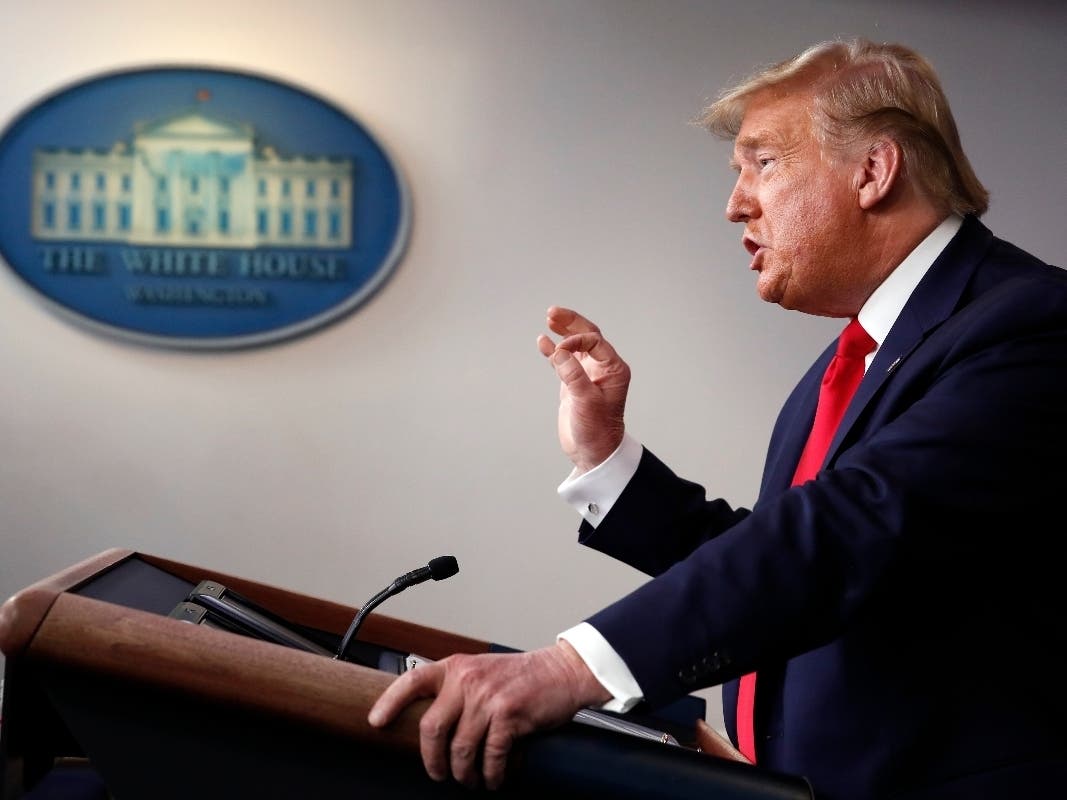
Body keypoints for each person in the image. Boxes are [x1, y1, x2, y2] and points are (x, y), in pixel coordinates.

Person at [369, 37, 1067, 798]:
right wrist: (609, 459)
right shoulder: (852, 358)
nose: (735, 202)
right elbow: (790, 563)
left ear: (872, 171)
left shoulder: (1033, 322)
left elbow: (841, 536)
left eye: (762, 163)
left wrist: (568, 668)